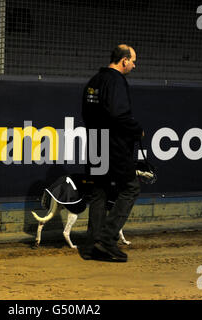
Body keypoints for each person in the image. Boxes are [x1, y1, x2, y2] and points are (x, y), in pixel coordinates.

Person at [81, 44, 144, 262]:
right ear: (124, 60)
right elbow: (119, 115)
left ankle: (91, 246)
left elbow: (86, 113)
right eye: (133, 60)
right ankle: (107, 240)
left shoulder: (94, 80)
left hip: (95, 143)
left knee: (100, 191)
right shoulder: (116, 81)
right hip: (114, 146)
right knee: (131, 188)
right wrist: (137, 130)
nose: (134, 65)